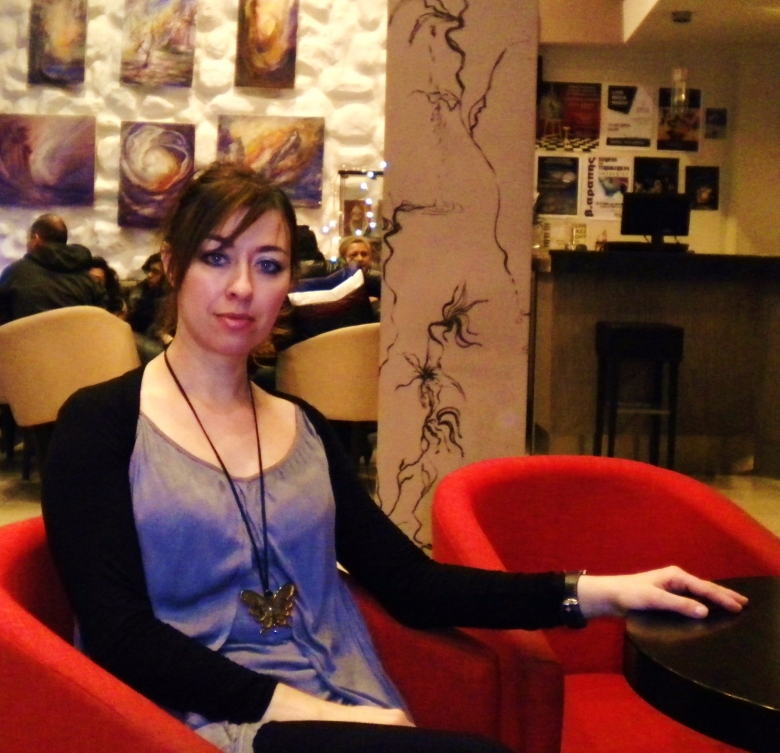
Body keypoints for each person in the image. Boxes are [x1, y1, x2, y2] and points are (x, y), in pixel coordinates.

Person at [42, 163, 746, 753]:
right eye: (216, 257)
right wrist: (310, 713)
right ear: (172, 265)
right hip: (198, 724)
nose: (242, 288)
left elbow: (411, 583)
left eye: (268, 265)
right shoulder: (101, 425)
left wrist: (604, 592)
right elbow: (119, 633)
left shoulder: (303, 429)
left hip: (347, 704)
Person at [0, 214, 107, 325]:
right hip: (79, 339)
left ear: (36, 239)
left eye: (28, 240)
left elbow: (2, 319)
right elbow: (102, 316)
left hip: (28, 339)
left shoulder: (14, 273)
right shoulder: (87, 278)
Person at [126, 251, 169, 336]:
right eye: (149, 271)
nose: (149, 275)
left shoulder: (167, 304)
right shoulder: (141, 291)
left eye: (155, 272)